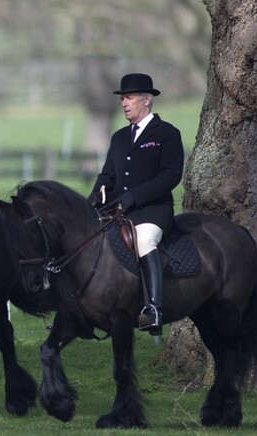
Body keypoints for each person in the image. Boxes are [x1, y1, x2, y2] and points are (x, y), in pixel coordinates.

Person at [88, 73, 184, 334]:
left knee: (144, 240)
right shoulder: (119, 138)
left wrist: (134, 197)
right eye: (122, 99)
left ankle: (153, 308)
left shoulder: (166, 134)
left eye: (129, 98)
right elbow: (108, 175)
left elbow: (170, 176)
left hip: (152, 211)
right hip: (118, 211)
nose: (124, 103)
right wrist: (94, 197)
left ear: (147, 100)